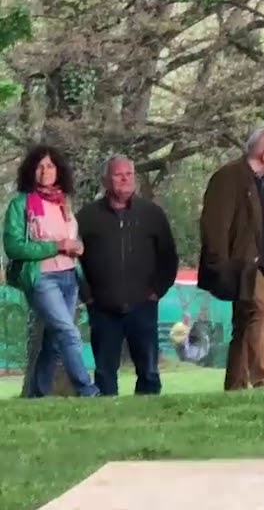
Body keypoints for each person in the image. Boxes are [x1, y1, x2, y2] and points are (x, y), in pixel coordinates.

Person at [197, 128, 264, 391]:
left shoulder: (262, 182)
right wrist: (221, 265)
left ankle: (236, 384)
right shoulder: (230, 177)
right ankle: (263, 380)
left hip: (263, 266)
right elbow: (215, 224)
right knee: (263, 313)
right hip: (245, 265)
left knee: (244, 323)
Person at [77, 155, 180, 395]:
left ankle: (150, 418)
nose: (125, 179)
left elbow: (168, 257)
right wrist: (88, 296)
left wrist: (156, 291)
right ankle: (107, 419)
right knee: (104, 372)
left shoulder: (152, 214)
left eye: (129, 174)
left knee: (149, 371)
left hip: (143, 305)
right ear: (105, 180)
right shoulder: (87, 217)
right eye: (118, 174)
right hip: (102, 308)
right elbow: (72, 261)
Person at [2, 144, 99, 397]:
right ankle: (88, 390)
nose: (45, 171)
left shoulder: (63, 203)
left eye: (50, 166)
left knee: (55, 341)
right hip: (42, 279)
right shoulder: (20, 205)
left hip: (69, 277)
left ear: (59, 171)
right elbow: (14, 247)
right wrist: (56, 246)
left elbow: (69, 238)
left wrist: (76, 246)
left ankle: (38, 395)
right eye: (39, 166)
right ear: (30, 171)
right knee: (68, 332)